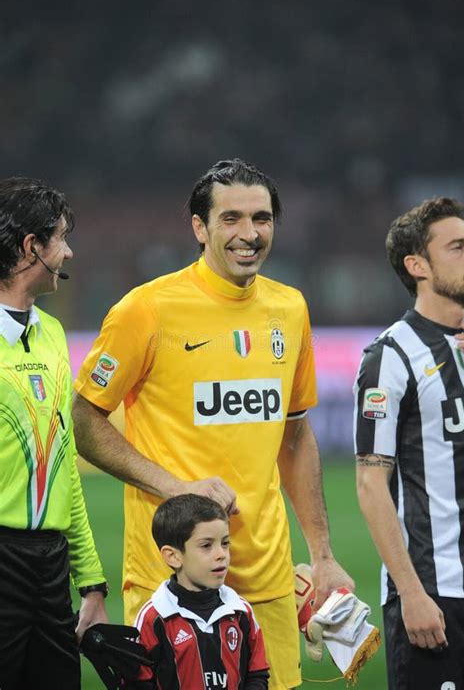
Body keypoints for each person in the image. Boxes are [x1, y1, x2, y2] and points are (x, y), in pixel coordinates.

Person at [73, 158, 353, 689]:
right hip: (169, 579)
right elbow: (85, 420)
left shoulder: (289, 308)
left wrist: (323, 557)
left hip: (267, 578)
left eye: (262, 218)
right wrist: (176, 490)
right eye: (231, 219)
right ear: (200, 228)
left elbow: (294, 434)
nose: (249, 234)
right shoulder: (146, 309)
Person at [354, 197, 464, 690]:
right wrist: (411, 593)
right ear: (417, 266)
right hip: (436, 597)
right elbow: (369, 484)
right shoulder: (391, 357)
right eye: (459, 247)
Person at [0, 177, 108, 690]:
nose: (69, 251)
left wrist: (90, 580)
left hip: (50, 569)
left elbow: (63, 465)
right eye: (61, 238)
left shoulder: (52, 334)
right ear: (31, 248)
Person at [130, 493, 269, 689]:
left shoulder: (240, 611)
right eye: (206, 546)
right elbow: (139, 683)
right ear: (173, 556)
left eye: (225, 543)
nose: (221, 555)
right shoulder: (153, 618)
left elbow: (257, 675)